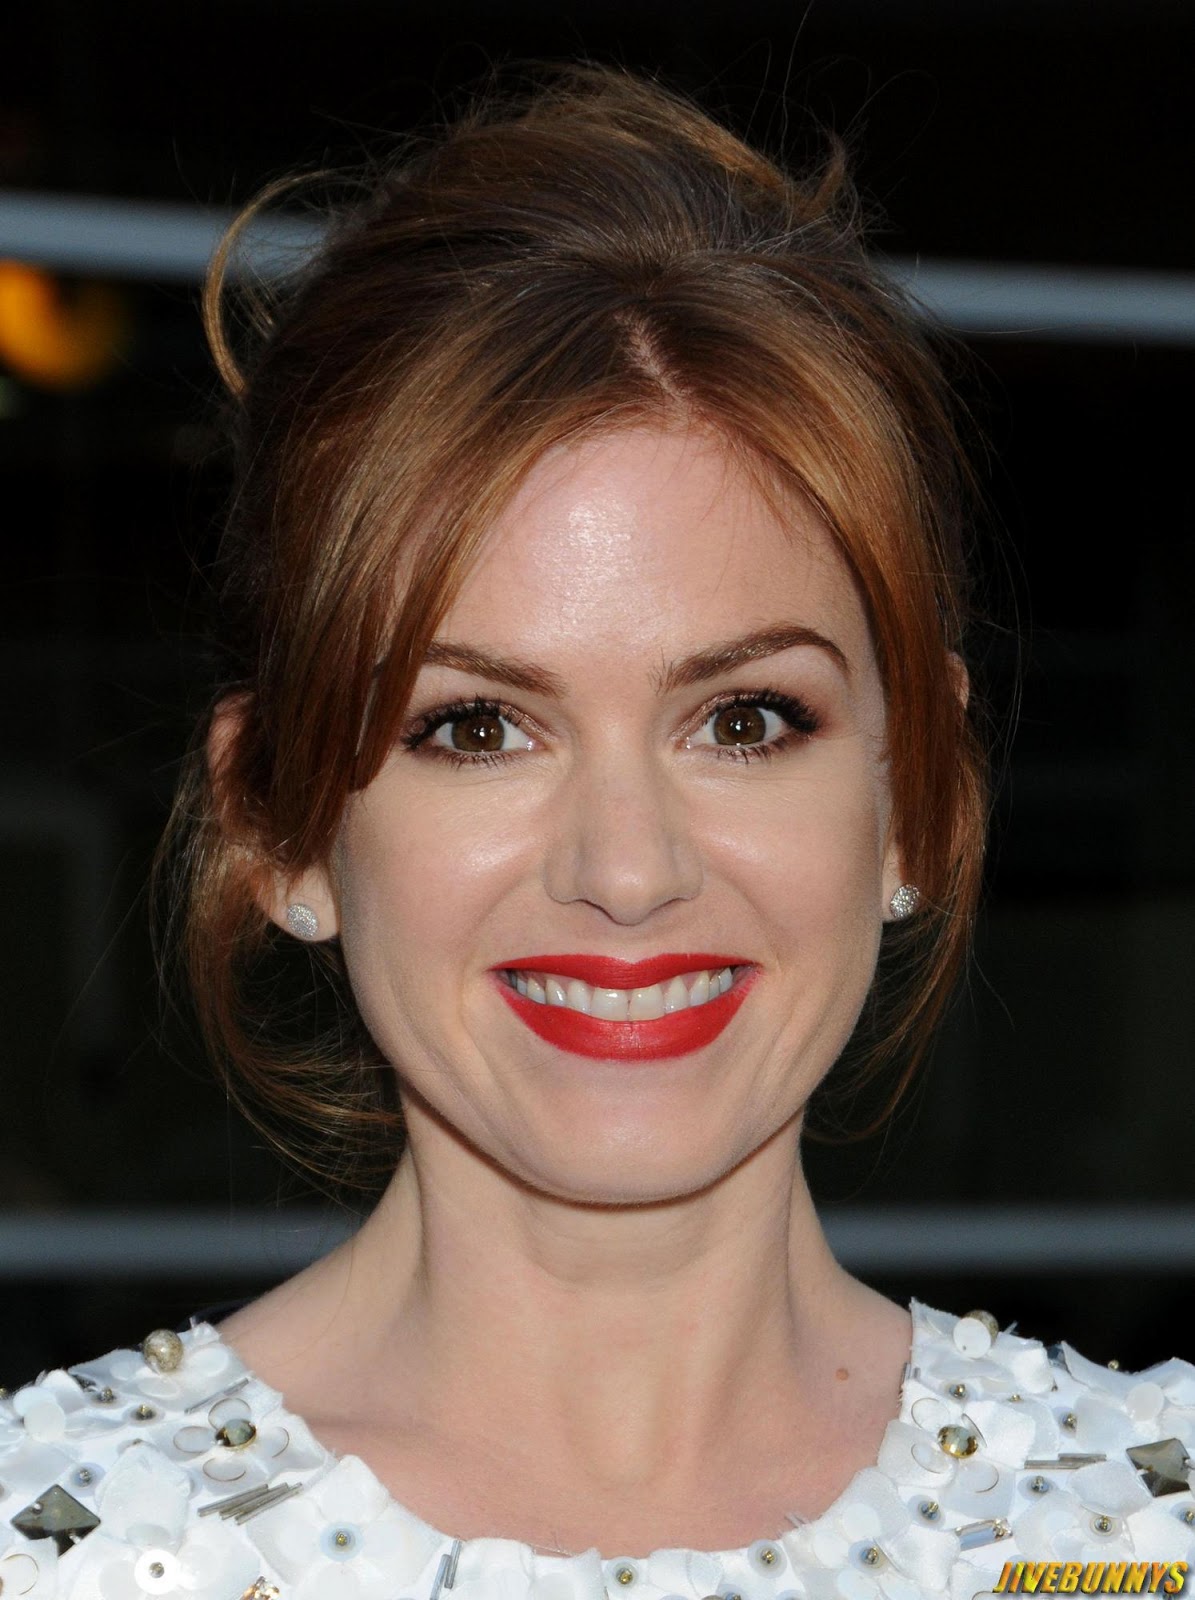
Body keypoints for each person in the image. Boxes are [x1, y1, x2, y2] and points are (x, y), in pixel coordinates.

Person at [2, 64, 1192, 1600]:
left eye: (745, 720)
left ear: (920, 798)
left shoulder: (1140, 1529)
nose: (627, 870)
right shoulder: (61, 1548)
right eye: (475, 728)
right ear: (278, 827)